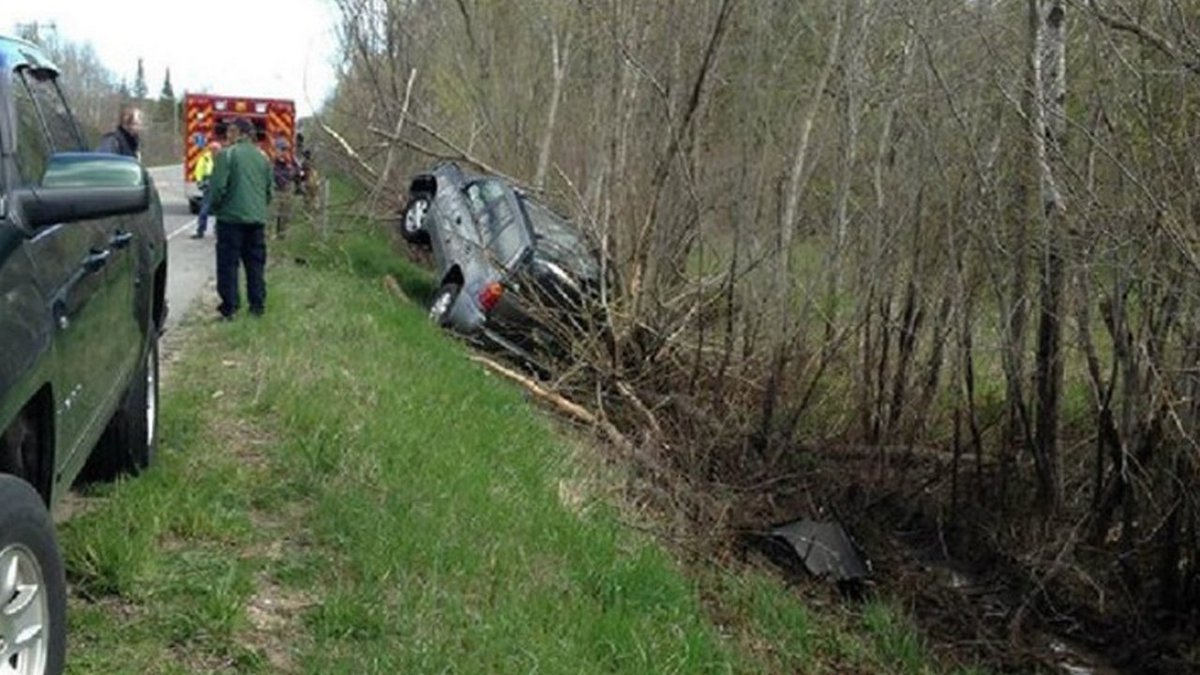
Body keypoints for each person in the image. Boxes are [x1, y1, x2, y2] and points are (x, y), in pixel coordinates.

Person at [208, 117, 272, 319]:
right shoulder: (263, 158)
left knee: (228, 265)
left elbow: (217, 188)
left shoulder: (226, 155)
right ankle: (257, 307)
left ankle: (230, 308)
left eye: (229, 132)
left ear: (237, 133)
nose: (227, 136)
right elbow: (269, 191)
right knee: (255, 266)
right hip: (256, 221)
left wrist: (217, 208)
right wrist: (258, 209)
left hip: (231, 220)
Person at [190, 138, 221, 239]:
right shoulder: (205, 158)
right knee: (205, 208)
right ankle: (200, 230)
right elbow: (199, 169)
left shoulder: (223, 158)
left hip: (218, 183)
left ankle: (218, 230)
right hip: (208, 182)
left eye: (216, 149)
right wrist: (200, 182)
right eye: (213, 149)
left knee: (220, 209)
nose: (214, 151)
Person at [271, 137, 297, 238]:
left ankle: (282, 235)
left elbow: (296, 173)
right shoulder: (272, 162)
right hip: (275, 191)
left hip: (286, 191)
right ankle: (270, 236)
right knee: (272, 215)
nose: (283, 152)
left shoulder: (290, 162)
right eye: (281, 149)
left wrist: (292, 173)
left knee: (285, 214)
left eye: (285, 149)